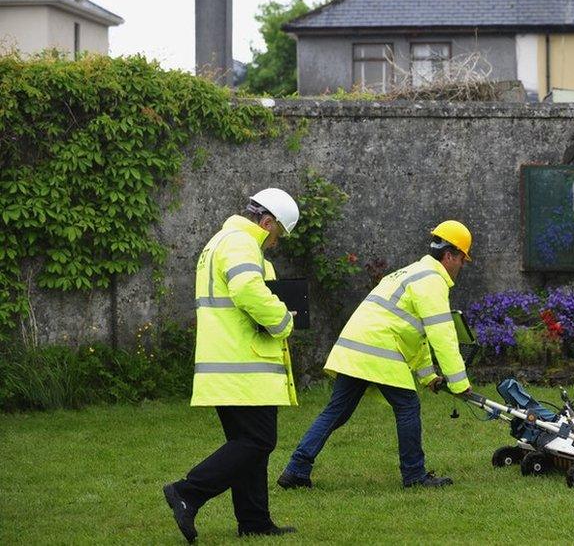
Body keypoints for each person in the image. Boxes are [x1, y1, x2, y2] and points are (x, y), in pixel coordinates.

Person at [277, 220, 473, 490]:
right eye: (463, 259)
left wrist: (428, 376)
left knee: (336, 411)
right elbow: (442, 335)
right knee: (407, 407)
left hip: (355, 347)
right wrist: (460, 383)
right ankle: (414, 475)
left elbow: (415, 334)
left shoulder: (410, 272)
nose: (462, 266)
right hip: (379, 349)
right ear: (450, 255)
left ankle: (296, 470)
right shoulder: (432, 281)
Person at [163, 188, 301, 543]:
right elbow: (247, 291)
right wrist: (284, 321)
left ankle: (254, 521)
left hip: (230, 365)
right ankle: (187, 492)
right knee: (257, 441)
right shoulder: (240, 243)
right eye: (277, 235)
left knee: (248, 443)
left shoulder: (220, 242)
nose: (275, 244)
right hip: (244, 364)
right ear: (267, 222)